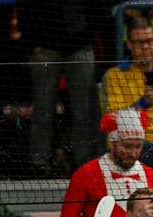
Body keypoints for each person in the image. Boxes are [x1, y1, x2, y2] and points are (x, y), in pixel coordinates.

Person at [16, 0, 101, 175]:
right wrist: (32, 42)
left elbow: (97, 7)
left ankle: (84, 164)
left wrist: (89, 33)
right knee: (42, 110)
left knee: (83, 112)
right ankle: (39, 163)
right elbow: (25, 8)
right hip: (46, 46)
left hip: (80, 44)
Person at [103, 17, 153, 172]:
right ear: (129, 44)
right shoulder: (115, 75)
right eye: (141, 42)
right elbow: (113, 117)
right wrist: (144, 102)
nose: (147, 46)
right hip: (136, 145)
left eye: (151, 41)